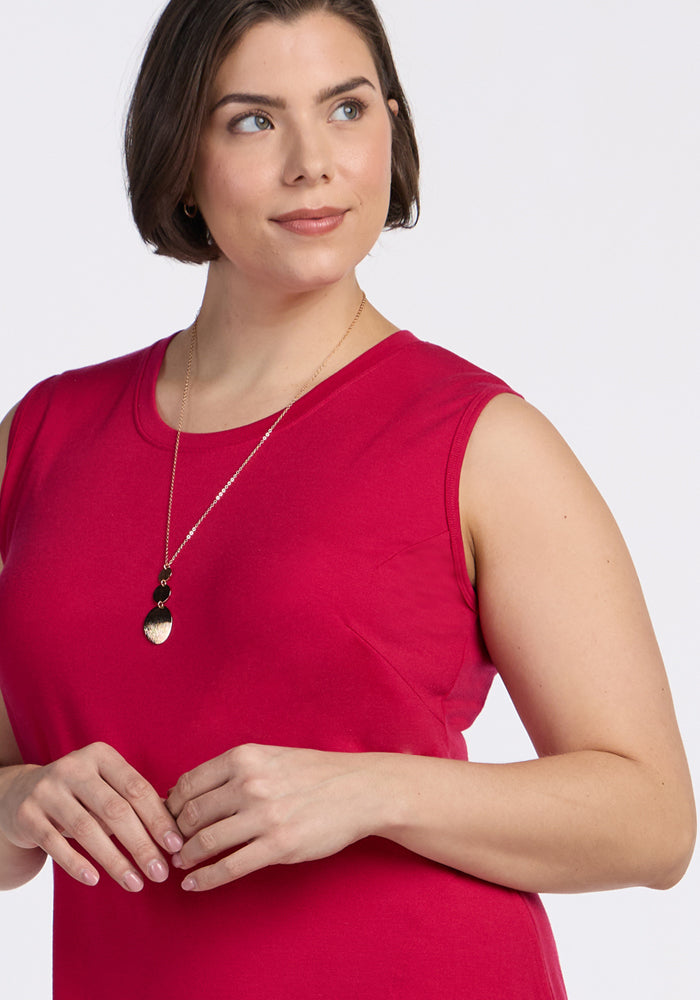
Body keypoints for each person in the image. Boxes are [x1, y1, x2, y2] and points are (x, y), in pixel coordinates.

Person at [0, 0, 695, 997]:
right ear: (178, 151)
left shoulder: (479, 441)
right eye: (252, 120)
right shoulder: (44, 436)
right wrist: (20, 801)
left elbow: (653, 820)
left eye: (346, 109)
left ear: (390, 129)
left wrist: (370, 790)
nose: (312, 163)